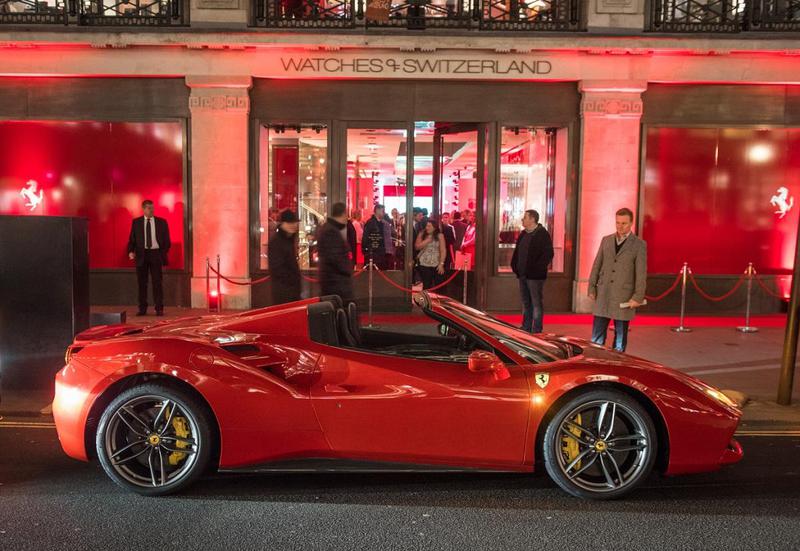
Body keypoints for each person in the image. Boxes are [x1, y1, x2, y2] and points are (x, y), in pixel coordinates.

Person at [588, 207, 647, 353]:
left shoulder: (639, 245)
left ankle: (618, 363)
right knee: (596, 339)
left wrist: (638, 297)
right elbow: (597, 265)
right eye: (618, 223)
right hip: (604, 294)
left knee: (620, 341)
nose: (620, 226)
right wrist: (591, 287)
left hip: (624, 297)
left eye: (624, 223)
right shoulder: (606, 240)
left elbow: (641, 273)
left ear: (631, 223)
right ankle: (595, 361)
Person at [511, 209, 554, 334]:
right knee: (526, 302)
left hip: (535, 277)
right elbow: (517, 252)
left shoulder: (542, 234)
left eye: (525, 217)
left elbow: (548, 254)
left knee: (536, 303)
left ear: (532, 219)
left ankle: (537, 330)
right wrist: (515, 266)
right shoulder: (523, 234)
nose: (522, 219)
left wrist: (536, 269)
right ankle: (526, 326)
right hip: (522, 275)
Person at [127, 199, 170, 316]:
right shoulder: (136, 222)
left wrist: (162, 253)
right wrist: (130, 251)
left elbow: (167, 241)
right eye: (149, 208)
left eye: (153, 208)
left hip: (156, 254)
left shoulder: (162, 222)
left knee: (157, 282)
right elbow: (132, 239)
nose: (152, 210)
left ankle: (159, 308)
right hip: (142, 255)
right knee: (142, 283)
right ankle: (142, 308)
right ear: (143, 209)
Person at [318, 202, 354, 302]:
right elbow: (335, 258)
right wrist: (347, 269)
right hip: (336, 284)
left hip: (334, 283)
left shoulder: (330, 229)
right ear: (343, 214)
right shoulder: (331, 232)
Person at [268, 210, 301, 305]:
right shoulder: (276, 242)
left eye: (295, 222)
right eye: (290, 222)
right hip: (284, 292)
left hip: (292, 291)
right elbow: (277, 269)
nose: (294, 225)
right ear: (283, 224)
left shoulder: (289, 240)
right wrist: (292, 280)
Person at [415, 218, 447, 290]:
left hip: (436, 263)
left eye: (429, 226)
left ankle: (435, 297)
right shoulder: (422, 234)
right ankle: (426, 297)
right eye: (426, 226)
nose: (427, 228)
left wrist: (441, 263)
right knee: (426, 285)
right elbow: (417, 247)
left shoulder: (440, 235)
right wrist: (427, 241)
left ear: (434, 227)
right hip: (424, 263)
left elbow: (443, 250)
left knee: (438, 285)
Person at [362, 204, 390, 270]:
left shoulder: (382, 223)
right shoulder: (370, 223)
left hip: (381, 253)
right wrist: (366, 250)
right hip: (373, 253)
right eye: (383, 211)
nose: (384, 213)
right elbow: (365, 238)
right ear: (377, 211)